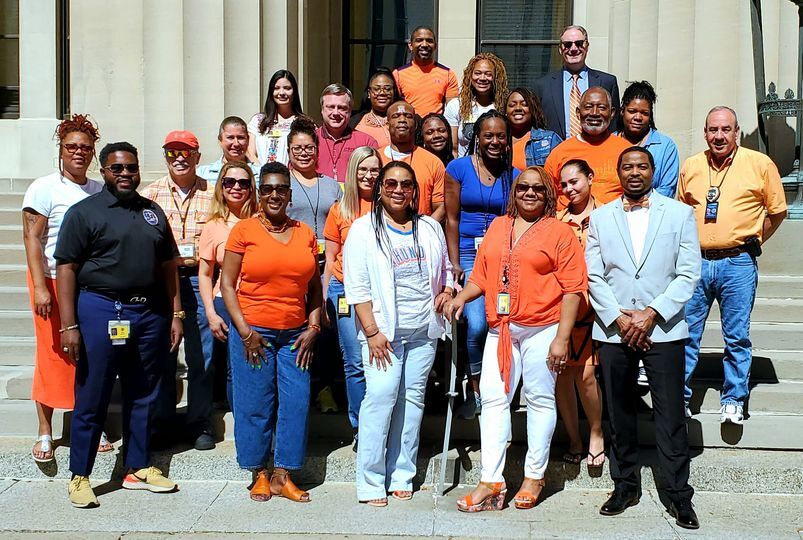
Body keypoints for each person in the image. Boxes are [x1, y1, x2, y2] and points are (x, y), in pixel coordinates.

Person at [443, 166, 585, 512]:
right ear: (514, 191)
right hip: (502, 328)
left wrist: (561, 339)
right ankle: (491, 480)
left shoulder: (560, 233)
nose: (530, 193)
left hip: (544, 328)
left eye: (538, 188)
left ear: (548, 194)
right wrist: (462, 297)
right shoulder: (498, 226)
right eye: (523, 187)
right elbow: (482, 276)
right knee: (492, 398)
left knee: (539, 399)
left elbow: (573, 290)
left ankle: (534, 476)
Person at [55, 141, 183, 508]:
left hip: (148, 313)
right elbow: (66, 268)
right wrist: (69, 325)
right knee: (92, 393)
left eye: (131, 168)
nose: (125, 174)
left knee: (144, 391)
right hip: (100, 309)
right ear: (104, 171)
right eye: (117, 168)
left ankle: (138, 467)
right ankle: (80, 474)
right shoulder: (84, 213)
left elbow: (168, 267)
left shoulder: (152, 213)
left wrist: (175, 313)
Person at [586, 147, 700, 529]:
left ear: (653, 170)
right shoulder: (600, 218)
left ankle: (678, 495)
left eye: (642, 166)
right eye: (628, 167)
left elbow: (688, 273)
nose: (635, 173)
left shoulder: (680, 214)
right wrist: (619, 317)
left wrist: (652, 313)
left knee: (670, 413)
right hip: (614, 328)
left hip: (663, 327)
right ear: (618, 172)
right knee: (618, 412)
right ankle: (625, 485)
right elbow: (594, 274)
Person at [343, 161, 453, 506]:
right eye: (390, 183)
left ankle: (402, 472)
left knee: (413, 399)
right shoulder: (363, 229)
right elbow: (356, 285)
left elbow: (447, 269)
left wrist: (448, 291)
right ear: (379, 188)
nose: (398, 190)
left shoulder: (429, 228)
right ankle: (370, 480)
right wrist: (373, 331)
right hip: (383, 335)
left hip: (424, 330)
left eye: (406, 184)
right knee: (379, 398)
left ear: (414, 190)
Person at [220, 161, 322, 503]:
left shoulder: (305, 233)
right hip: (254, 333)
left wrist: (314, 324)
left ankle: (283, 474)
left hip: (295, 335)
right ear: (259, 194)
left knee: (296, 402)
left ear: (290, 195)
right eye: (268, 189)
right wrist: (246, 332)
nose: (275, 195)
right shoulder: (244, 231)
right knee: (254, 404)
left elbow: (315, 287)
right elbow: (227, 285)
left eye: (281, 189)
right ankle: (259, 473)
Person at [678, 106, 787, 424]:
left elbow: (777, 211)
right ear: (705, 133)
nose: (719, 136)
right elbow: (683, 213)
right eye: (713, 130)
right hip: (697, 262)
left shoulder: (759, 164)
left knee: (736, 336)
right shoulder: (693, 166)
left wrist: (755, 239)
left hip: (738, 262)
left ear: (737, 132)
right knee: (686, 333)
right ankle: (680, 398)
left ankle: (734, 399)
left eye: (726, 129)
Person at [22, 114, 112, 463]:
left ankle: (88, 423)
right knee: (51, 352)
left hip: (88, 282)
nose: (79, 152)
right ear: (60, 149)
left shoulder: (97, 189)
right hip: (50, 280)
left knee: (89, 354)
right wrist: (41, 288)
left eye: (85, 148)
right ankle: (45, 430)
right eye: (71, 146)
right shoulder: (44, 188)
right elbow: (31, 237)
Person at [142, 130, 216, 451]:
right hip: (163, 284)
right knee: (164, 356)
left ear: (198, 157)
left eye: (186, 152)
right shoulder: (150, 195)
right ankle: (161, 423)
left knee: (202, 357)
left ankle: (200, 424)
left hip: (200, 281)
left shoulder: (213, 194)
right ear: (165, 156)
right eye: (172, 152)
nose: (180, 158)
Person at [444, 110, 520, 419]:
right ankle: (475, 389)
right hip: (467, 254)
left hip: (502, 257)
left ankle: (502, 386)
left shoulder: (514, 176)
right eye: (488, 135)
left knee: (503, 322)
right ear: (477, 137)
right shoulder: (458, 168)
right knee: (476, 324)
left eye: (500, 136)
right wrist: (453, 262)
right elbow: (451, 218)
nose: (494, 141)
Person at [323, 147, 381, 449]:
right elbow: (331, 258)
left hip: (379, 291)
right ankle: (360, 426)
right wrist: (323, 299)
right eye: (363, 169)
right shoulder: (339, 210)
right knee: (354, 361)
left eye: (374, 169)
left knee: (378, 357)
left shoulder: (388, 207)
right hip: (344, 290)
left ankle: (379, 421)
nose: (369, 176)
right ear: (353, 172)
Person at [198, 161, 258, 410]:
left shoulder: (261, 220)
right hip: (226, 302)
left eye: (243, 183)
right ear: (221, 187)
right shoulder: (213, 226)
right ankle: (243, 424)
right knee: (235, 368)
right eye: (229, 182)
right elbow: (204, 273)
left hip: (257, 301)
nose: (236, 187)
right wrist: (211, 313)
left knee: (255, 366)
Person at [556, 159, 605, 467]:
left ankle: (597, 432)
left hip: (596, 308)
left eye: (574, 181)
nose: (569, 189)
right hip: (563, 308)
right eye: (564, 184)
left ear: (590, 177)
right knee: (563, 376)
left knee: (586, 376)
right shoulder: (557, 220)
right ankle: (574, 438)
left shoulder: (607, 215)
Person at [544, 87, 631, 206]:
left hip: (614, 221)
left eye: (601, 108)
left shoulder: (627, 152)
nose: (594, 113)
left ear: (612, 113)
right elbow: (547, 198)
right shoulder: (559, 153)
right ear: (578, 113)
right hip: (569, 222)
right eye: (588, 107)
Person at [534, 25, 620, 140]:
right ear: (560, 49)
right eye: (567, 44)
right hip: (556, 153)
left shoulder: (607, 82)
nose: (573, 49)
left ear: (587, 46)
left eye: (579, 43)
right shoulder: (542, 86)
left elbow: (614, 125)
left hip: (597, 151)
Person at [378, 100, 445, 221]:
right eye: (396, 116)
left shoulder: (433, 162)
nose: (402, 119)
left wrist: (424, 229)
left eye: (408, 116)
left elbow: (440, 206)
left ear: (415, 125)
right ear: (387, 125)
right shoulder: (375, 159)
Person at [286, 116, 342, 258]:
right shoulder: (282, 184)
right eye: (297, 149)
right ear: (288, 152)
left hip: (328, 259)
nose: (303, 153)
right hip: (292, 256)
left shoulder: (331, 185)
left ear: (317, 150)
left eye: (309, 148)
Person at [617, 81, 680, 197]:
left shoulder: (665, 146)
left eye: (644, 113)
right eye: (632, 111)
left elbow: (667, 189)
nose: (638, 117)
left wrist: (636, 205)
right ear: (622, 111)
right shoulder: (610, 141)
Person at [444, 53, 509, 158]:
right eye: (477, 73)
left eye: (488, 74)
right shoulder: (456, 106)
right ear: (470, 76)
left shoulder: (504, 106)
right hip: (465, 168)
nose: (482, 78)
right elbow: (453, 149)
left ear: (496, 78)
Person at [316, 84, 379, 184]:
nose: (336, 113)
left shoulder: (367, 142)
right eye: (331, 107)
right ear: (322, 110)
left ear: (350, 111)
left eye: (342, 108)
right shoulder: (310, 140)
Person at [392, 26, 459, 117]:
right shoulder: (398, 74)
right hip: (409, 128)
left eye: (429, 41)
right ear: (410, 45)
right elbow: (393, 106)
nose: (424, 44)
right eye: (419, 40)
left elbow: (453, 110)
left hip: (435, 128)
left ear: (435, 46)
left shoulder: (447, 74)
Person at [247, 69, 303, 166]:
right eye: (276, 88)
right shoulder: (258, 121)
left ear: (294, 91)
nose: (281, 92)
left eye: (287, 88)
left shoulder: (303, 123)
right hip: (261, 177)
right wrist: (262, 172)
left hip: (290, 178)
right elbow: (250, 153)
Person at [505, 87, 562, 170]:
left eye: (524, 104)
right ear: (505, 112)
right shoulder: (498, 141)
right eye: (512, 105)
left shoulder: (550, 140)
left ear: (533, 109)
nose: (518, 108)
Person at [197, 116, 261, 183]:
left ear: (248, 140)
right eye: (230, 138)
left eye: (240, 138)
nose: (236, 144)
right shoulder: (202, 174)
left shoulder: (260, 175)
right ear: (220, 140)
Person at [350, 68, 401, 148]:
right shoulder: (353, 122)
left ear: (394, 92)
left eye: (387, 89)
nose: (382, 93)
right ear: (369, 93)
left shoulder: (404, 120)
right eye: (377, 89)